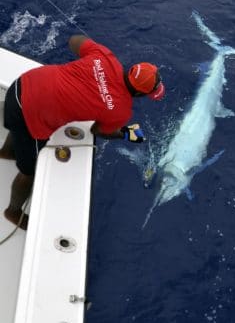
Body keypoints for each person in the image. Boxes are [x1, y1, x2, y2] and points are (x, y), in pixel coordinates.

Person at [0, 34, 165, 230]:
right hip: (28, 112)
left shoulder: (105, 56)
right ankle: (13, 212)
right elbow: (98, 130)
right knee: (28, 171)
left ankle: (7, 152)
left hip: (22, 84)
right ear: (139, 93)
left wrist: (96, 65)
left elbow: (73, 40)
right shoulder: (121, 110)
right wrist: (126, 133)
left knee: (20, 128)